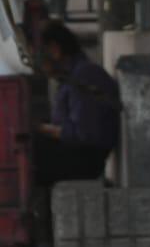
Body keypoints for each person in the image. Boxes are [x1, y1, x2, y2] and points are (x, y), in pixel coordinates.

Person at [34, 20, 120, 189]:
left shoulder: (85, 75)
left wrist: (41, 129)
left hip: (85, 160)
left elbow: (81, 133)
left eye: (39, 56)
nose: (39, 66)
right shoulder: (68, 80)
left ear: (54, 49)